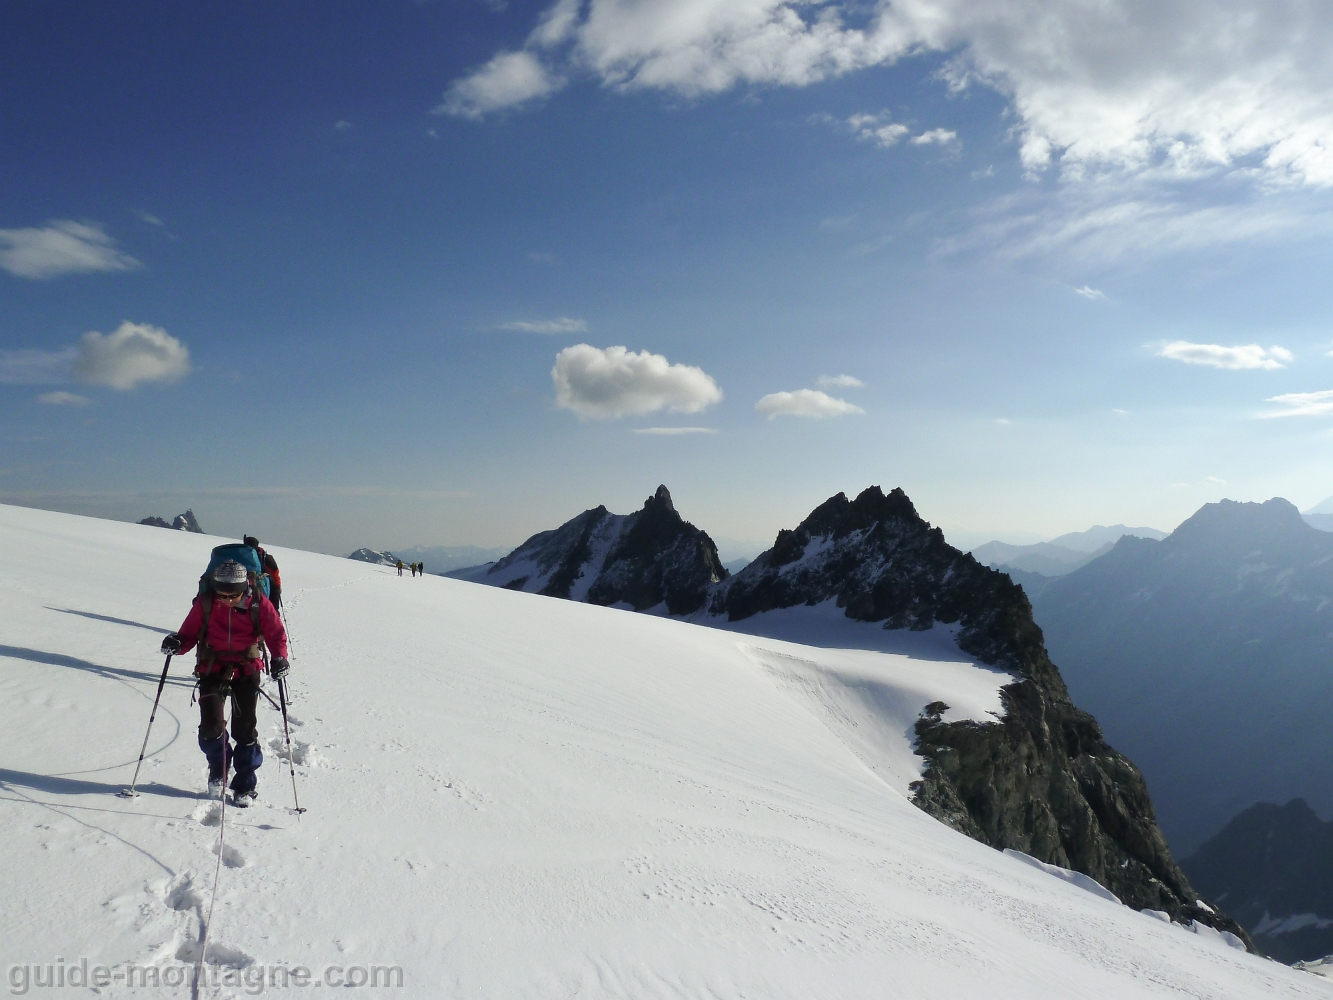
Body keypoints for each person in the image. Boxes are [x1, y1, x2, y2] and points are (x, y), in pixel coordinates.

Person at [160, 560, 290, 806]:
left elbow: (275, 634)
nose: (228, 600)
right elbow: (188, 633)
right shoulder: (206, 603)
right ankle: (218, 769)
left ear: (244, 588)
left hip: (246, 668)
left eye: (233, 595)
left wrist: (280, 658)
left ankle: (245, 786)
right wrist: (177, 644)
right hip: (212, 666)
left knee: (245, 730)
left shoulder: (258, 603)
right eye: (222, 595)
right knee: (210, 730)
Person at [243, 534, 283, 610]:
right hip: (266, 585)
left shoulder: (242, 555)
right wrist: (277, 587)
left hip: (248, 584)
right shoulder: (267, 557)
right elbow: (275, 573)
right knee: (272, 607)